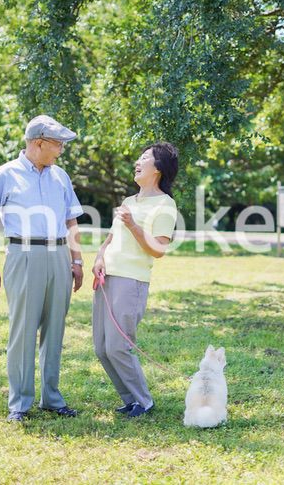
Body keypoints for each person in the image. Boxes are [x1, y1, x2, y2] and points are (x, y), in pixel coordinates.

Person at [0, 115, 85, 423]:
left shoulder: (60, 176)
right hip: (22, 255)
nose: (62, 149)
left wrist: (76, 260)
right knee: (23, 330)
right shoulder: (5, 174)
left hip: (59, 255)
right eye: (58, 143)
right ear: (39, 142)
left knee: (55, 328)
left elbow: (71, 220)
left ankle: (51, 398)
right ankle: (19, 404)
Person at [92, 142, 179, 418]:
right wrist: (99, 258)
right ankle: (131, 401)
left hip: (132, 282)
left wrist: (133, 225)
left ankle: (144, 401)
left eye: (144, 158)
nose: (137, 162)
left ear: (159, 169)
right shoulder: (129, 201)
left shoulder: (165, 204)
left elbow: (159, 248)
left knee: (118, 345)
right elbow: (111, 237)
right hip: (107, 278)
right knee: (102, 347)